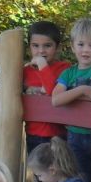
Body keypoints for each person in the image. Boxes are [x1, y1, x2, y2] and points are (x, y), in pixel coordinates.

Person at [51, 18, 91, 182]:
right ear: (73, 46)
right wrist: (81, 91)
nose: (86, 50)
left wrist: (70, 96)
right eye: (81, 44)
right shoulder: (68, 74)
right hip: (74, 134)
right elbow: (56, 99)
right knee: (79, 176)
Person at [23, 21, 70, 154]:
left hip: (57, 135)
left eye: (47, 45)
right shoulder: (25, 71)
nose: (41, 50)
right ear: (29, 48)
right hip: (33, 133)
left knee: (59, 172)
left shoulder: (64, 69)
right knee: (40, 173)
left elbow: (51, 91)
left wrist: (42, 65)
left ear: (57, 47)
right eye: (35, 46)